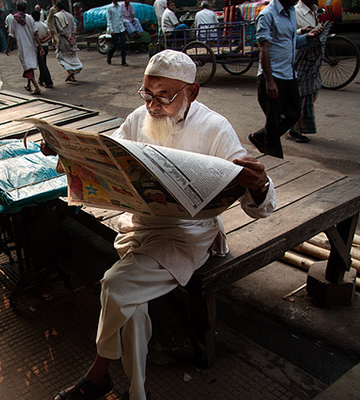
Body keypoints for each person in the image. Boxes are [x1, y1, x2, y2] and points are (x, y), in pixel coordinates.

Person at [46, 50, 276, 400]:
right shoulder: (139, 118)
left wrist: (258, 185)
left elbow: (260, 209)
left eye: (165, 96)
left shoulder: (215, 128)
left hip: (189, 236)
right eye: (147, 95)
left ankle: (98, 374)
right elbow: (111, 160)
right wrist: (71, 160)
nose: (153, 106)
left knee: (115, 285)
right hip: (141, 227)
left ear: (192, 92)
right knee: (132, 308)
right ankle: (138, 393)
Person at [248, 0, 323, 159]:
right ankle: (275, 159)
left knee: (294, 114)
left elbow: (292, 42)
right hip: (273, 77)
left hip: (289, 75)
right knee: (273, 122)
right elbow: (264, 49)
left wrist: (308, 37)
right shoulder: (267, 15)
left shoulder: (291, 12)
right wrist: (269, 80)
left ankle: (260, 137)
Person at [288, 0, 326, 143]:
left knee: (310, 93)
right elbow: (291, 36)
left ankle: (299, 127)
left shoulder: (315, 10)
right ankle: (294, 129)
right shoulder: (296, 12)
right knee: (301, 95)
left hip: (312, 58)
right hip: (301, 57)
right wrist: (304, 32)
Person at [6, 2, 44, 95]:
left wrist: (7, 48)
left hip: (23, 47)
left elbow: (11, 35)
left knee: (27, 67)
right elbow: (35, 33)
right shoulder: (30, 18)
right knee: (28, 65)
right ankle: (28, 85)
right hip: (31, 46)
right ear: (26, 8)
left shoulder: (14, 19)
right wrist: (40, 46)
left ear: (17, 8)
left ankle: (36, 87)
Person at [54, 2, 82, 82]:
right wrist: (72, 38)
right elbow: (74, 26)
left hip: (63, 39)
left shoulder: (57, 16)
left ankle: (70, 72)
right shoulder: (70, 15)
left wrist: (67, 37)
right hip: (71, 40)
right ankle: (72, 76)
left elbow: (60, 29)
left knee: (61, 57)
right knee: (72, 56)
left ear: (58, 8)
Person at [33, 9, 54, 88]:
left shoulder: (33, 26)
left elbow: (35, 36)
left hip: (38, 47)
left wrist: (40, 40)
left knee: (42, 64)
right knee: (43, 63)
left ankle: (48, 82)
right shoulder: (44, 25)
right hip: (45, 46)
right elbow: (49, 35)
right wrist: (44, 39)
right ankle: (41, 80)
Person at [106, 0, 128, 66]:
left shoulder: (120, 7)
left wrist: (124, 25)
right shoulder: (109, 8)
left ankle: (123, 61)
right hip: (114, 29)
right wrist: (111, 29)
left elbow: (121, 17)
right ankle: (109, 56)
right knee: (115, 46)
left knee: (124, 45)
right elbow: (109, 20)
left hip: (121, 28)